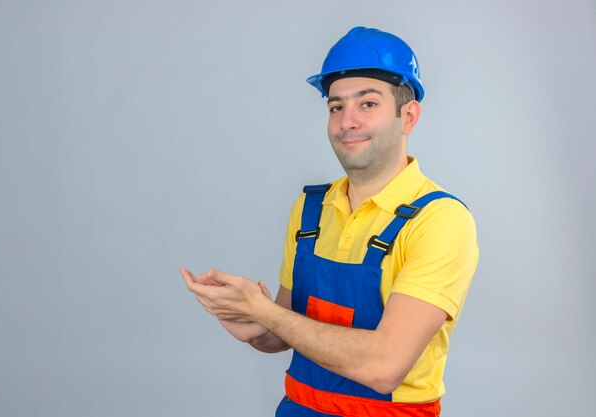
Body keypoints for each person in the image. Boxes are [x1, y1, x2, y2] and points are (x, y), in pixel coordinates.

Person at [181, 26, 479, 417]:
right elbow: (286, 331)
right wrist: (250, 321)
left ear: (408, 116)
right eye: (336, 106)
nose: (346, 122)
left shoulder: (439, 220)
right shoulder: (311, 210)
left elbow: (383, 367)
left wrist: (265, 311)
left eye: (367, 104)